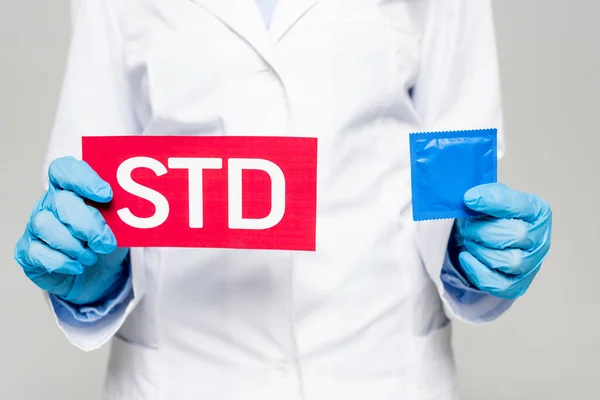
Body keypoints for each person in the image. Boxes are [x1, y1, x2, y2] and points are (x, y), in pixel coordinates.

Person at [14, 0, 552, 399]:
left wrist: (472, 253)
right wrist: (98, 274)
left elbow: (453, 176)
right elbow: (91, 182)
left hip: (378, 367)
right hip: (185, 372)